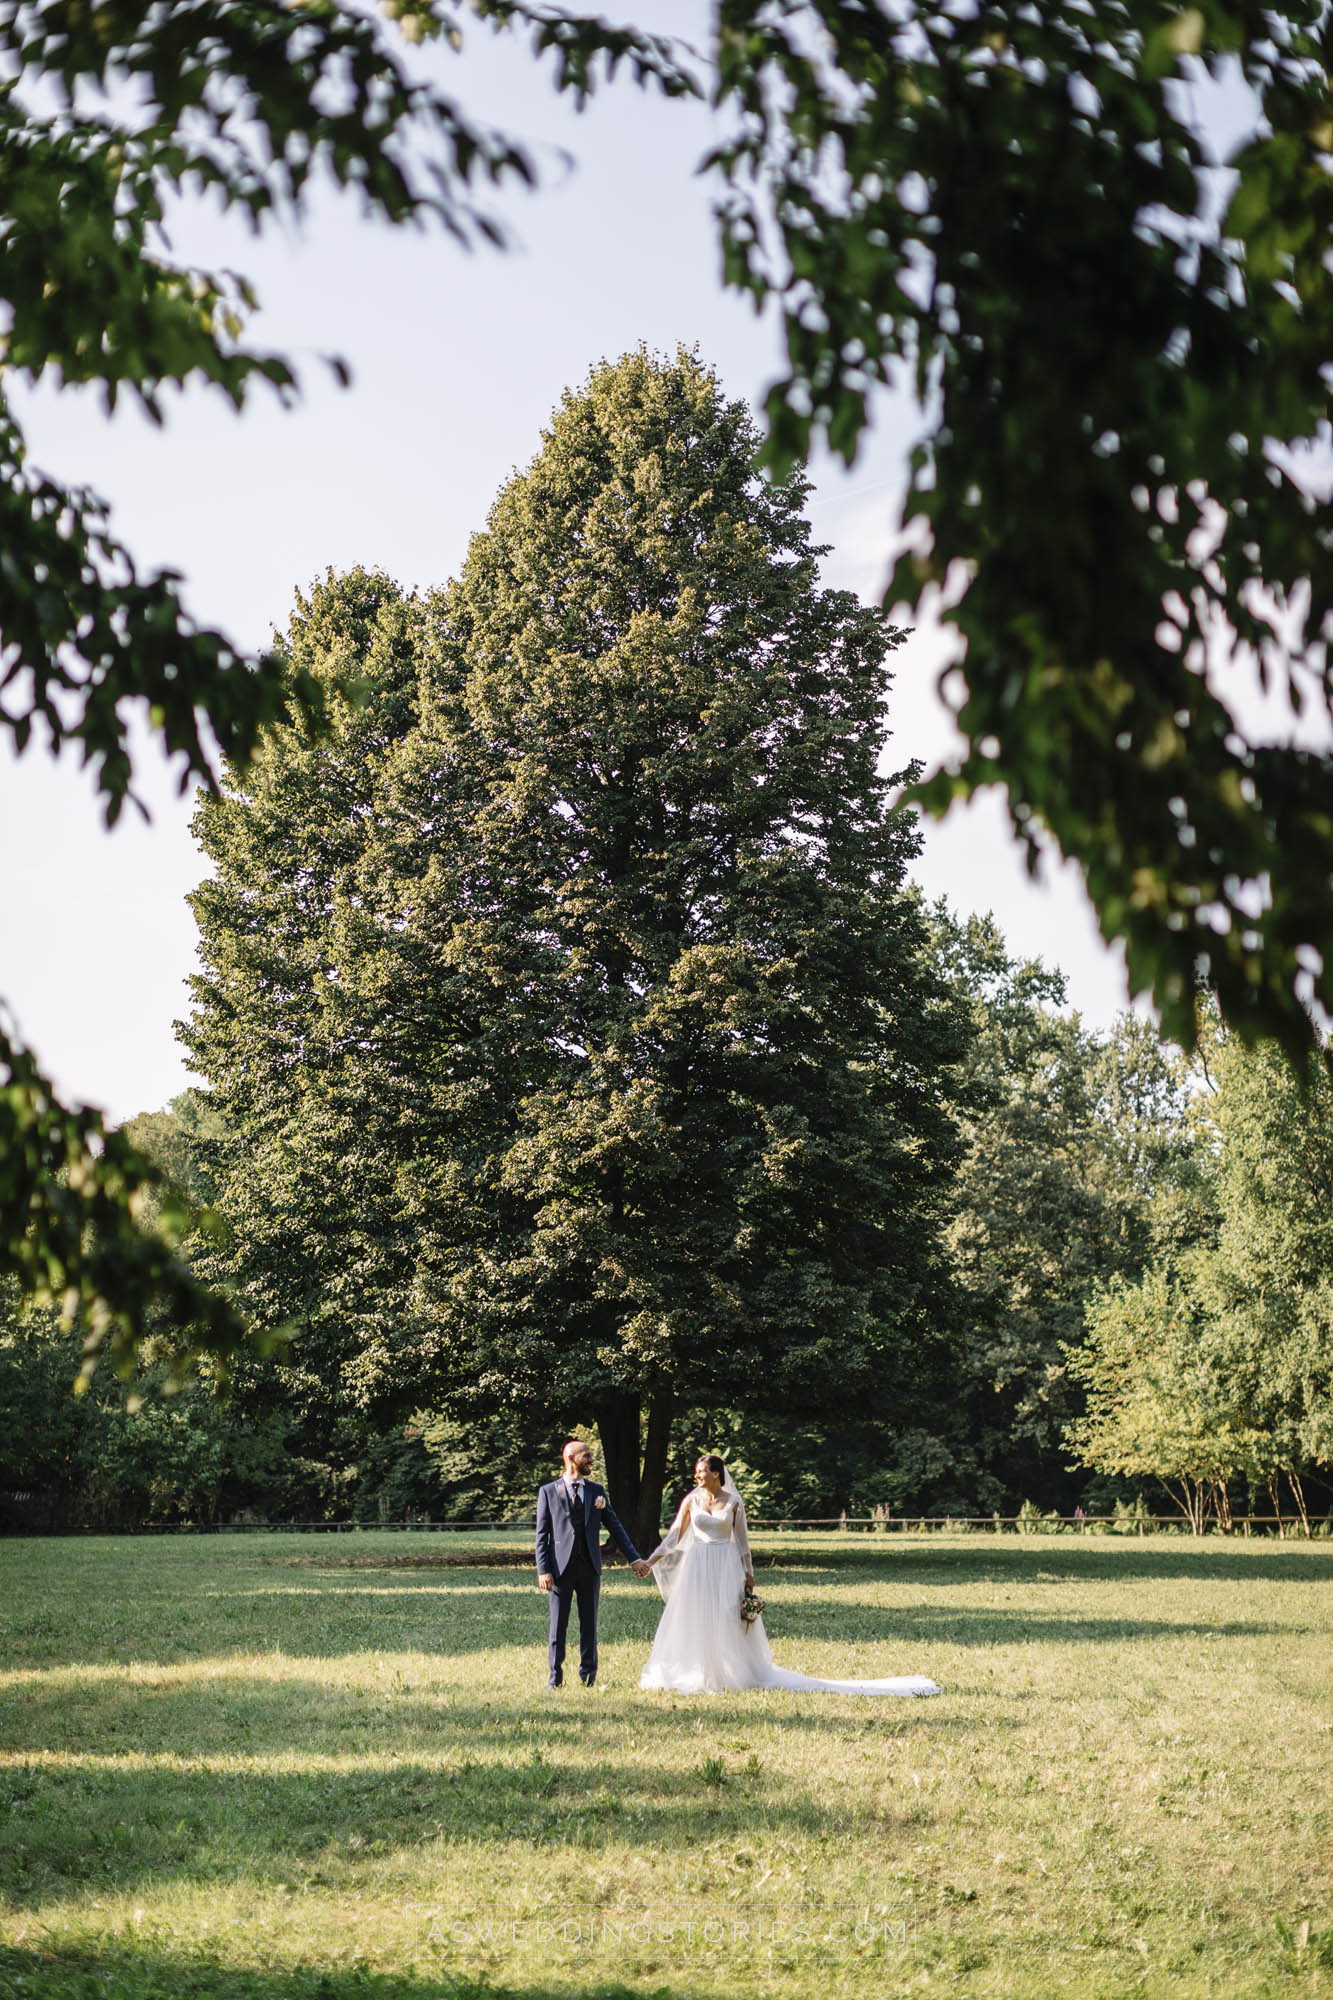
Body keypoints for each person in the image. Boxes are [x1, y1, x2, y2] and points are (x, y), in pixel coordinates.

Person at [639, 1454, 940, 1698]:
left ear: (717, 1473)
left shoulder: (733, 1502)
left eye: (702, 1471)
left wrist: (749, 1574)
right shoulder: (692, 1501)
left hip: (724, 1567)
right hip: (698, 1566)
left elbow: (742, 1543)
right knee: (697, 1618)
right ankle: (699, 1670)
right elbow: (674, 1537)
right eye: (697, 1471)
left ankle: (725, 1673)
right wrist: (650, 1561)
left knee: (724, 1618)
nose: (697, 1476)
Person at [535, 1439, 648, 1688]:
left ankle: (588, 1678)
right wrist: (543, 1569)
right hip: (559, 1569)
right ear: (570, 1458)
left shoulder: (597, 1491)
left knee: (589, 1626)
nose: (590, 1460)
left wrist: (634, 1558)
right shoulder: (548, 1491)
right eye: (585, 1455)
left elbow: (615, 1527)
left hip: (589, 1568)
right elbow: (542, 1535)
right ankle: (555, 1679)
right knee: (557, 1627)